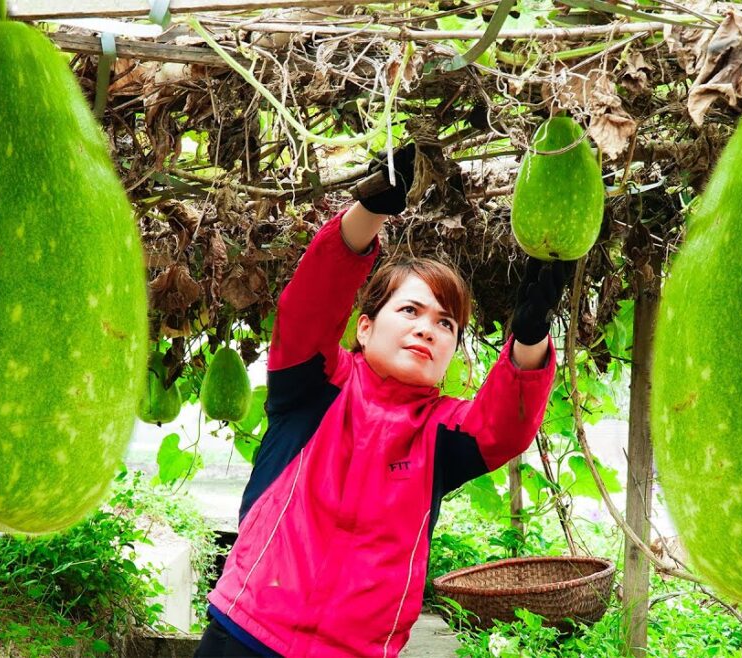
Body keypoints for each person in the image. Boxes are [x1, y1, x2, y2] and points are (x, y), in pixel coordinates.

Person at [195, 145, 573, 657]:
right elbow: (309, 306)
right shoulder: (314, 386)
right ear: (366, 327)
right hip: (249, 631)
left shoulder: (441, 433)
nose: (428, 329)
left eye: (446, 324)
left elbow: (503, 425)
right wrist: (370, 209)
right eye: (411, 310)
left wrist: (529, 339)